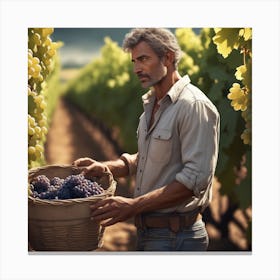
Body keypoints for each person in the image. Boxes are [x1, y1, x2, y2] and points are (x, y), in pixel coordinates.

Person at [73, 28, 220, 251]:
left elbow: (193, 180)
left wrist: (132, 206)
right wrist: (107, 167)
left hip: (176, 237)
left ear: (168, 57)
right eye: (134, 62)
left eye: (143, 59)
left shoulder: (193, 106)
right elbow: (151, 158)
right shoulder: (153, 105)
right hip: (150, 234)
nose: (136, 69)